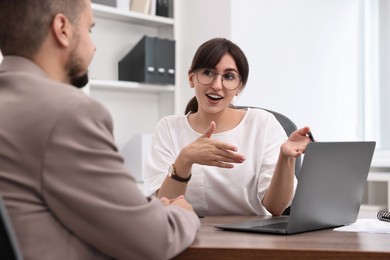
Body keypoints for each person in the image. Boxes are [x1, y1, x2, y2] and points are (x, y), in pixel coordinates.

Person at [0, 0, 199, 259]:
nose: (93, 47)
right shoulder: (66, 113)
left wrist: (143, 212)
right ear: (62, 28)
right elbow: (155, 240)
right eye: (90, 29)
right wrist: (182, 213)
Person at [144, 38, 312, 216]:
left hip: (252, 238)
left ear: (239, 87)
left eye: (229, 76)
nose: (217, 86)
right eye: (208, 73)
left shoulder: (262, 123)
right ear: (192, 78)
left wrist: (285, 158)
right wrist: (185, 160)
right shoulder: (169, 128)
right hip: (190, 233)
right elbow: (164, 208)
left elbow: (276, 208)